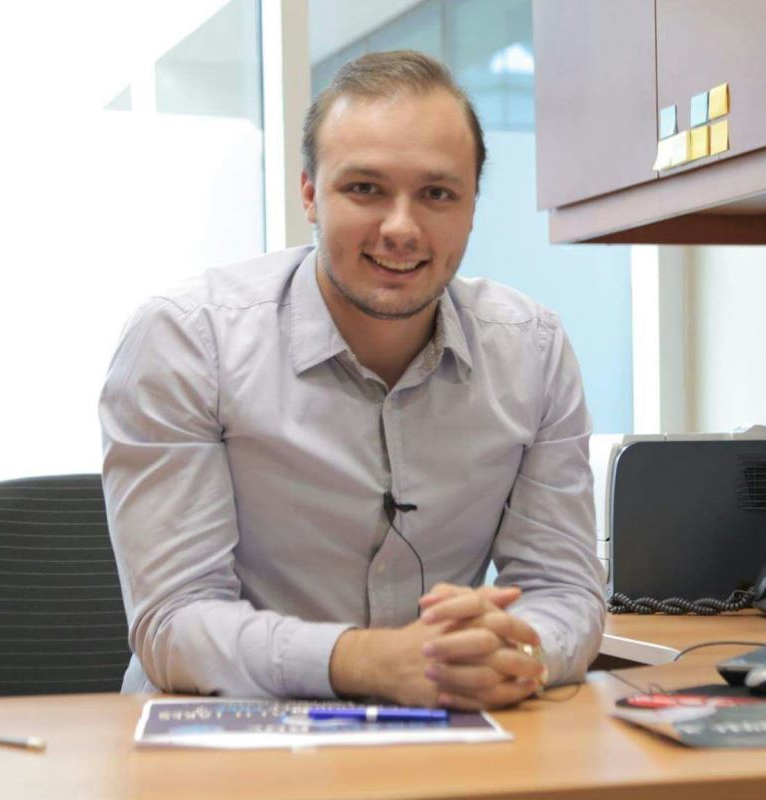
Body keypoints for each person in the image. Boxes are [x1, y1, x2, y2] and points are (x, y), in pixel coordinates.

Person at [99, 50, 606, 710]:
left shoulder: (533, 351)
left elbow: (564, 589)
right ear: (310, 194)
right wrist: (366, 662)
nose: (402, 228)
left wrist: (515, 648)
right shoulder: (188, 340)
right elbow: (174, 623)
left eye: (437, 194)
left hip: (444, 727)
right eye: (365, 189)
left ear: (472, 207)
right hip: (224, 730)